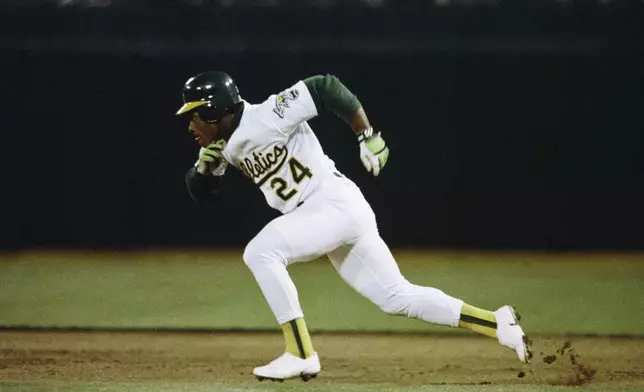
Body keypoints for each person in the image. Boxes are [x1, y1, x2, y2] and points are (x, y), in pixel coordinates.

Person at [177, 71, 532, 382]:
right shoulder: (223, 145)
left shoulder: (266, 114)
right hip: (332, 212)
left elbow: (326, 87)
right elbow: (203, 196)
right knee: (396, 296)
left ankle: (300, 353)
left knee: (261, 251)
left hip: (329, 203)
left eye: (194, 115)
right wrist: (202, 173)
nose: (191, 125)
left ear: (214, 110)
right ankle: (497, 322)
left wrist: (366, 135)